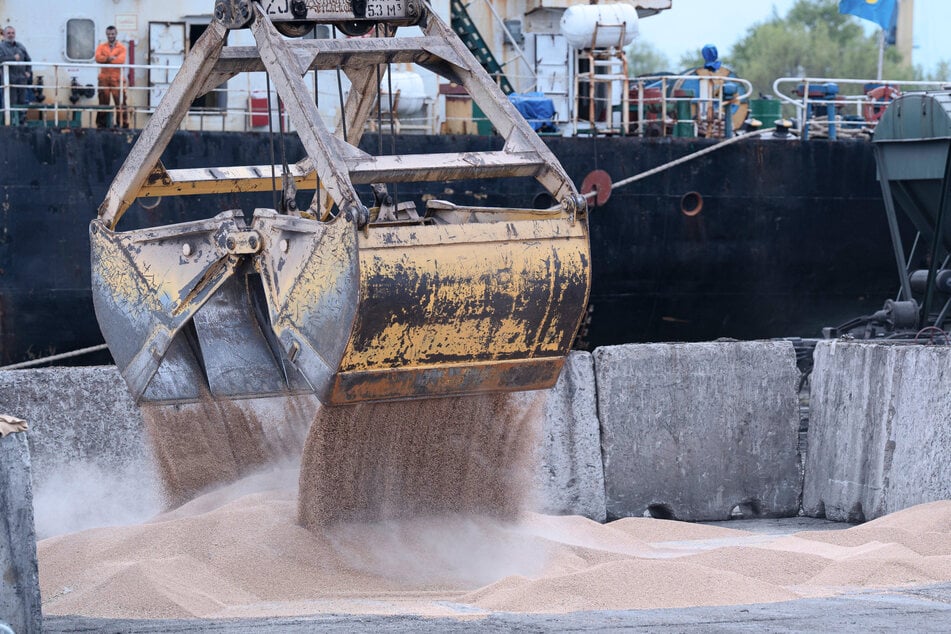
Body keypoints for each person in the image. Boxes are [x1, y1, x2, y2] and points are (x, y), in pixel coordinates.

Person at [94, 25, 128, 128]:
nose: (110, 36)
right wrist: (109, 58)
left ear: (116, 34)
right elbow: (97, 58)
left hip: (117, 79)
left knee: (120, 102)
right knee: (103, 102)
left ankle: (122, 124)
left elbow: (120, 60)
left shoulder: (121, 47)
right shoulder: (101, 46)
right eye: (108, 34)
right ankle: (101, 124)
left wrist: (106, 59)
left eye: (112, 34)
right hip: (104, 78)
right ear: (106, 34)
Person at [0, 26, 32, 113]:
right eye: (9, 33)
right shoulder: (1, 47)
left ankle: (22, 122)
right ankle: (9, 122)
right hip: (9, 80)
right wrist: (13, 58)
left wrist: (28, 71)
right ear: (4, 34)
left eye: (13, 33)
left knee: (22, 102)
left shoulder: (20, 46)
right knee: (10, 102)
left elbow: (28, 59)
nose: (11, 35)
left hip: (22, 80)